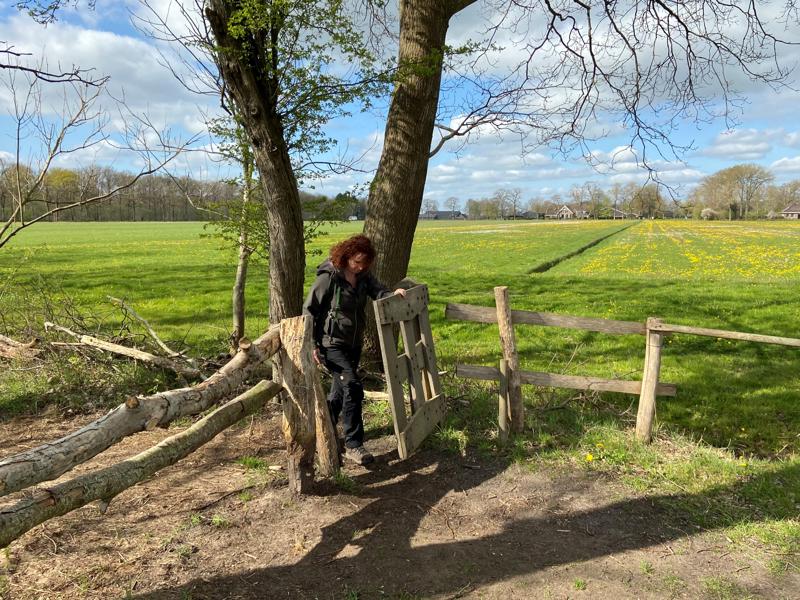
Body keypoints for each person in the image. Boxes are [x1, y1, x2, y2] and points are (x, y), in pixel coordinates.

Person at [303, 234, 406, 465]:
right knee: (352, 385)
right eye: (356, 262)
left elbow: (379, 292)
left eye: (364, 263)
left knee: (339, 392)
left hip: (354, 343)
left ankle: (323, 432)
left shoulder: (363, 277)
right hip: (331, 343)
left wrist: (393, 294)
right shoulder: (328, 277)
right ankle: (353, 444)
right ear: (346, 255)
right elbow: (309, 310)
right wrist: (311, 345)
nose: (359, 267)